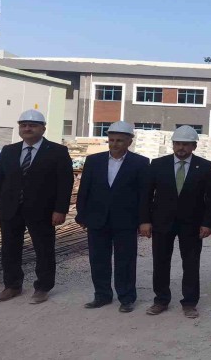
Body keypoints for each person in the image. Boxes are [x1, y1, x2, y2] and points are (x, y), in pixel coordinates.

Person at [0, 109, 74, 304]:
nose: (27, 129)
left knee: (44, 249)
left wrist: (60, 210)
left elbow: (65, 183)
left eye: (32, 125)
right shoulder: (9, 151)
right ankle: (12, 285)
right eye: (23, 125)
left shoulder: (57, 152)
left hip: (42, 211)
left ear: (43, 128)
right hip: (11, 209)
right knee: (10, 248)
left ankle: (43, 287)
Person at [139, 125, 211, 318]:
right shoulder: (158, 164)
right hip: (162, 222)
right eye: (178, 143)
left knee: (191, 263)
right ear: (173, 144)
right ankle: (161, 300)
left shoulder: (205, 167)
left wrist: (208, 223)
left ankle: (189, 302)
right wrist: (145, 221)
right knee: (160, 262)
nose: (181, 147)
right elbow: (146, 195)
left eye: (186, 144)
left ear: (194, 146)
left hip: (192, 224)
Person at [75, 122, 149, 313]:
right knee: (98, 259)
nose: (115, 144)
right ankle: (102, 295)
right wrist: (82, 215)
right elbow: (84, 190)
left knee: (125, 260)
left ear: (129, 141)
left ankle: (126, 297)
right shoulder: (94, 161)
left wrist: (143, 220)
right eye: (112, 140)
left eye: (120, 141)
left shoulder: (140, 163)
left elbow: (144, 195)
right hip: (98, 219)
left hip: (126, 220)